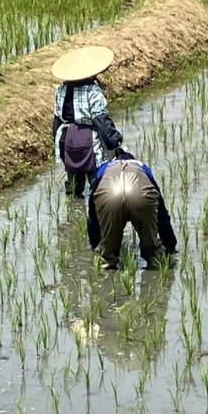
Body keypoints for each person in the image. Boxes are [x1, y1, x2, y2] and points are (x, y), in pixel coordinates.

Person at [51, 46, 123, 197]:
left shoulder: (61, 90)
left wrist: (57, 143)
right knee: (97, 183)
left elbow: (57, 120)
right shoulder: (92, 91)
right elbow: (101, 120)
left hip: (66, 138)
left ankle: (72, 210)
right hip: (88, 139)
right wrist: (114, 141)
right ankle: (95, 215)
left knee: (73, 181)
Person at [87, 151, 177, 269]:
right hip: (140, 193)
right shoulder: (142, 167)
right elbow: (161, 214)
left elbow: (92, 214)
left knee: (106, 257)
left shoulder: (105, 167)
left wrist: (96, 244)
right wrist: (170, 245)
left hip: (110, 193)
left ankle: (105, 267)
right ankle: (156, 260)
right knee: (155, 255)